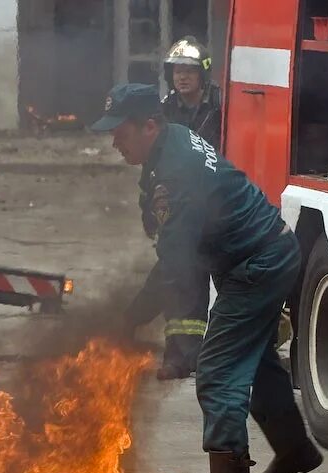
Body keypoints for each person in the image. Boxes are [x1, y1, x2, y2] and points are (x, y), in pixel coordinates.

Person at [94, 83, 323, 473]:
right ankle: (294, 448)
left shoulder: (177, 169)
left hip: (257, 265)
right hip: (269, 252)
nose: (113, 141)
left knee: (218, 371)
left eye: (119, 131)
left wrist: (140, 326)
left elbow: (176, 266)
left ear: (149, 125)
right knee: (254, 360)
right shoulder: (170, 144)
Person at [124, 37, 222, 381]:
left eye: (189, 71)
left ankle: (134, 328)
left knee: (187, 277)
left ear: (203, 75)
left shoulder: (221, 108)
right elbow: (149, 164)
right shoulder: (163, 112)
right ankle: (177, 355)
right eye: (177, 71)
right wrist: (148, 207)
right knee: (179, 276)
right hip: (175, 208)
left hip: (212, 205)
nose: (182, 77)